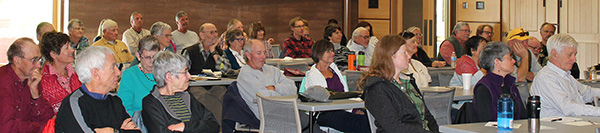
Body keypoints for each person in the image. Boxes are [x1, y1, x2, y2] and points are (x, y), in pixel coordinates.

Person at [237, 39, 322, 132]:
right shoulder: (245, 74)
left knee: (310, 123)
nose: (263, 57)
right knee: (307, 122)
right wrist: (283, 94)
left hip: (287, 112)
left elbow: (292, 89)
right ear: (248, 55)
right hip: (268, 116)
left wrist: (274, 88)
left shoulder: (272, 70)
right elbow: (264, 96)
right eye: (259, 53)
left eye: (264, 53)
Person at [358, 35, 439, 132]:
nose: (409, 56)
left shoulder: (408, 81)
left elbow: (427, 116)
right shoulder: (377, 88)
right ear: (391, 56)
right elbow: (394, 126)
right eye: (404, 53)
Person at [54, 46, 138, 132]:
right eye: (113, 67)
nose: (118, 72)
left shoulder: (115, 102)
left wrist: (113, 131)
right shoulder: (74, 104)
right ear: (96, 73)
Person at [142, 51, 219, 132]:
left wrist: (185, 127)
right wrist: (197, 128)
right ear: (169, 77)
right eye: (185, 72)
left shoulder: (188, 97)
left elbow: (213, 125)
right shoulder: (151, 103)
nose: (189, 76)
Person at [304, 39, 370, 133]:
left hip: (342, 109)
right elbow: (322, 99)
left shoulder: (334, 69)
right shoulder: (313, 74)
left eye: (332, 51)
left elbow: (344, 94)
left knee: (368, 119)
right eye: (329, 51)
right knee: (361, 123)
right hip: (324, 113)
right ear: (319, 53)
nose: (333, 54)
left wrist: (354, 110)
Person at [530, 34, 600, 117]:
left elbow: (587, 93)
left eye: (575, 55)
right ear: (554, 54)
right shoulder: (545, 78)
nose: (574, 60)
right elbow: (568, 108)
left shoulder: (565, 76)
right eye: (570, 55)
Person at [0, 38, 53, 132]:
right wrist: (41, 127)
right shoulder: (4, 82)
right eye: (34, 60)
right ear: (17, 61)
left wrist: (35, 94)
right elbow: (6, 127)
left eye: (39, 59)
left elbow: (47, 117)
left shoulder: (33, 79)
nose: (38, 65)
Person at [472, 42, 527, 122]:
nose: (514, 61)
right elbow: (486, 122)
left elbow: (523, 115)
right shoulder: (483, 88)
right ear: (497, 62)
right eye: (509, 58)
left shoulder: (509, 83)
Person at [39, 31, 82, 114]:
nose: (72, 50)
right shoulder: (43, 80)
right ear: (53, 54)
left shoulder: (76, 74)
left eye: (71, 46)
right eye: (67, 48)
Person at [117, 36, 160, 117]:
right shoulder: (130, 75)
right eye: (147, 57)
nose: (152, 61)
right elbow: (124, 107)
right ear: (138, 56)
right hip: (140, 121)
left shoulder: (165, 72)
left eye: (155, 57)